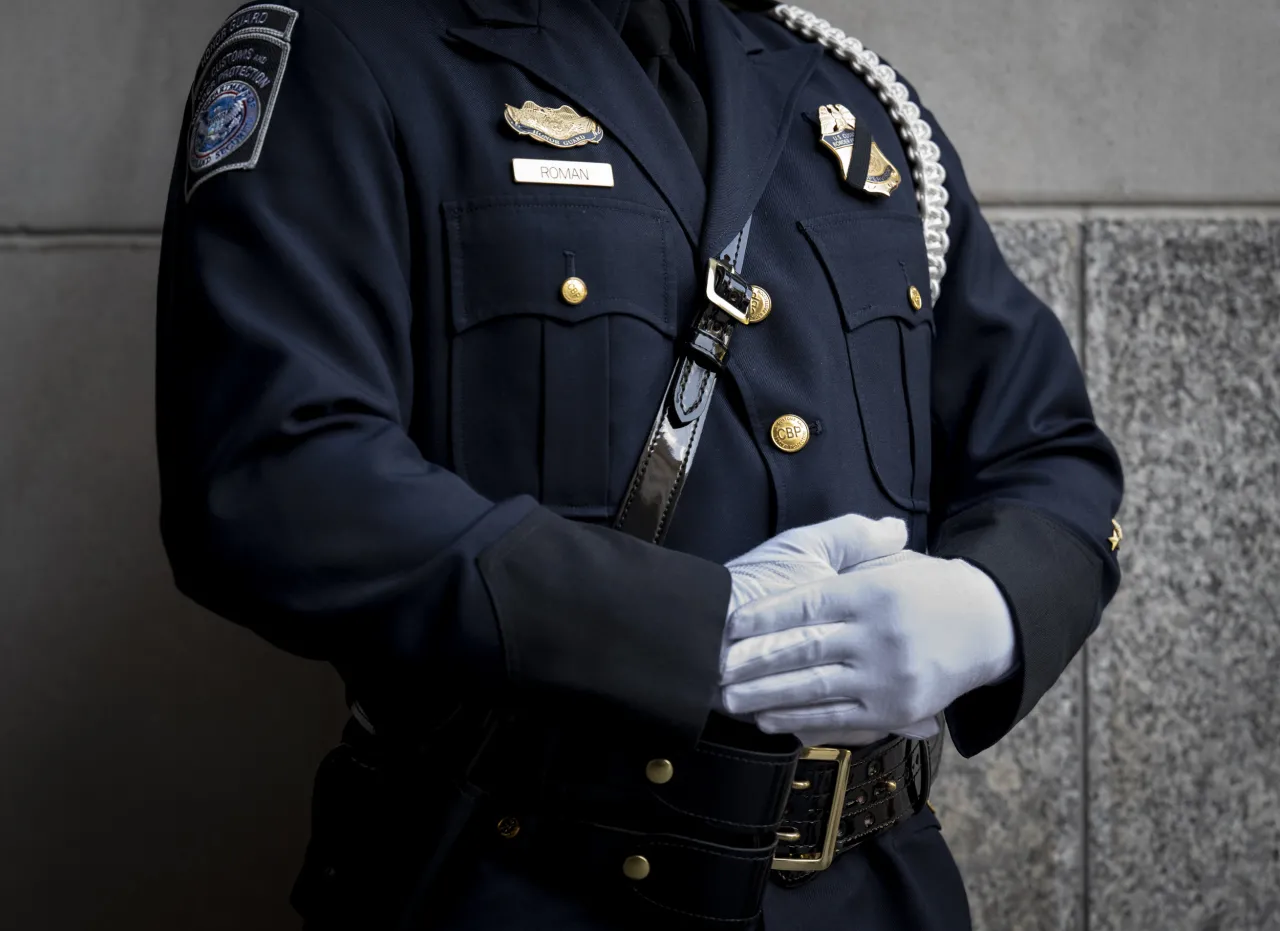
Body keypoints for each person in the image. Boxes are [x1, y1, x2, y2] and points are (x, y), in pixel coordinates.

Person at [155, 1, 1124, 929]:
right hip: (519, 881)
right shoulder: (353, 52)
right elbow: (274, 477)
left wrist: (992, 605)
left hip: (874, 886)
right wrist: (703, 630)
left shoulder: (851, 96)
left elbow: (1045, 446)